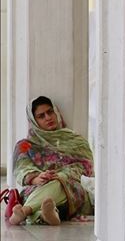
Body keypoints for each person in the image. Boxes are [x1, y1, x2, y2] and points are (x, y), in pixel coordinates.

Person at [8, 96, 94, 226]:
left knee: (60, 182)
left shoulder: (76, 140)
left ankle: (25, 212)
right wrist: (36, 178)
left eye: (50, 112)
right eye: (41, 116)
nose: (48, 117)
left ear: (56, 112)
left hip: (71, 187)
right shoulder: (25, 145)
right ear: (33, 121)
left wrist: (61, 175)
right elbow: (22, 167)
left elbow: (86, 167)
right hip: (38, 188)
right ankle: (47, 214)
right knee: (48, 193)